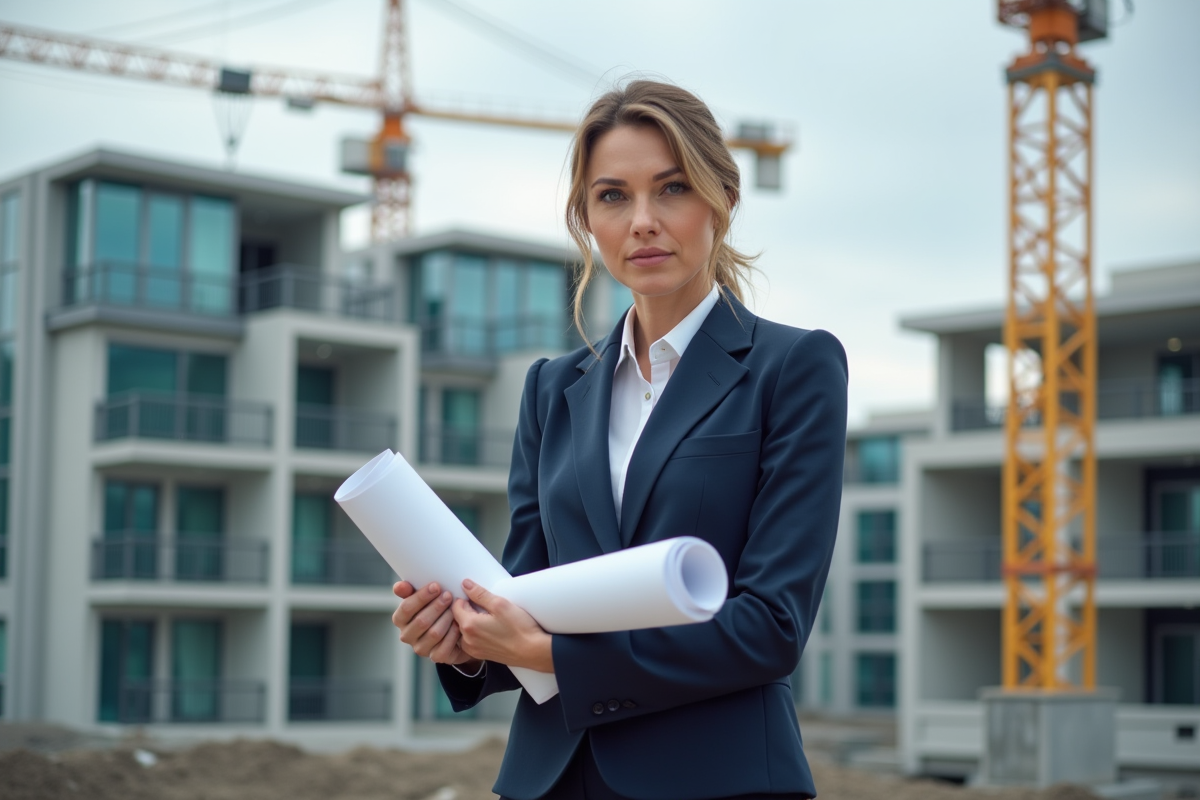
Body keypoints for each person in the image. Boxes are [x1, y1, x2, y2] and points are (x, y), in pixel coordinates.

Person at [391, 79, 847, 800]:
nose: (642, 221)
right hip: (549, 778)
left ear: (722, 200)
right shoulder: (551, 387)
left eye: (671, 189)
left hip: (715, 779)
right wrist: (468, 643)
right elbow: (530, 595)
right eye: (612, 197)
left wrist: (560, 660)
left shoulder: (794, 368)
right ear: (586, 220)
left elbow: (770, 626)